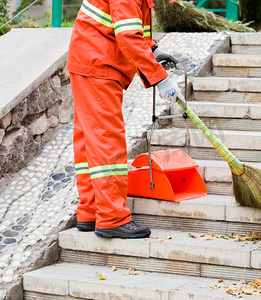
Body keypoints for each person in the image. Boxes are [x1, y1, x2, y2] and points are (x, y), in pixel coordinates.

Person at [66, 0, 186, 239]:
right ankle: (112, 218)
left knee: (89, 140)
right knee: (106, 139)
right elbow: (128, 36)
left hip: (89, 59)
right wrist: (160, 79)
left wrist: (152, 49)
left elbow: (130, 27)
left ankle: (91, 211)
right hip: (98, 63)